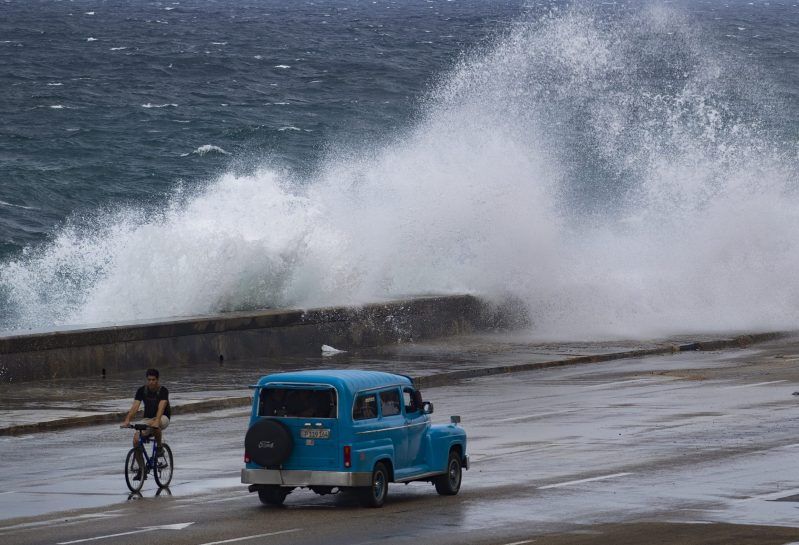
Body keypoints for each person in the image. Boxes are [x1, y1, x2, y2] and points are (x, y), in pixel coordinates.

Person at [122, 368, 171, 479]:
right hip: (147, 418)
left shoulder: (163, 391)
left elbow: (161, 407)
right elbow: (135, 407)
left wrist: (157, 421)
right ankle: (142, 469)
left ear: (157, 380)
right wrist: (127, 420)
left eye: (153, 380)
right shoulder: (141, 390)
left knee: (155, 425)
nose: (151, 382)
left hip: (163, 417)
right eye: (149, 380)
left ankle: (159, 448)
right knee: (136, 439)